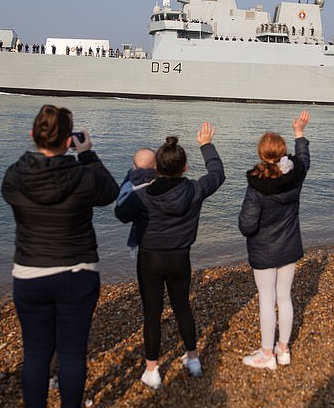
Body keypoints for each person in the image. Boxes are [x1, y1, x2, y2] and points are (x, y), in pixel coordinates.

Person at [1, 105, 119, 408]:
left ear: (32, 135)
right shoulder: (84, 177)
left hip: (29, 271)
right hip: (77, 271)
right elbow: (110, 192)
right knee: (71, 352)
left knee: (36, 352)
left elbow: (10, 196)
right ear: (69, 140)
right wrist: (88, 154)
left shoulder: (14, 175)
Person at [115, 123, 225, 388]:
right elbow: (218, 174)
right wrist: (206, 145)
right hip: (180, 258)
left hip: (150, 259)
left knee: (152, 314)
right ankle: (193, 359)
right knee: (182, 307)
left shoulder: (142, 195)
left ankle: (152, 370)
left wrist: (133, 177)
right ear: (185, 168)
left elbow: (120, 213)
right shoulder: (195, 190)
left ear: (156, 168)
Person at [238, 110, 310, 370]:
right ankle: (283, 349)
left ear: (261, 154)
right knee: (285, 298)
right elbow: (303, 159)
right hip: (289, 246)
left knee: (266, 300)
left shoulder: (256, 185)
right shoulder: (296, 176)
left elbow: (246, 225)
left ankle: (267, 354)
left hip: (264, 251)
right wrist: (299, 133)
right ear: (282, 153)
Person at [116, 148, 157, 259]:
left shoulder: (133, 188)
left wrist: (130, 174)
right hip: (172, 245)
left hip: (145, 244)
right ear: (156, 165)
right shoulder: (161, 182)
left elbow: (121, 212)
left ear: (134, 165)